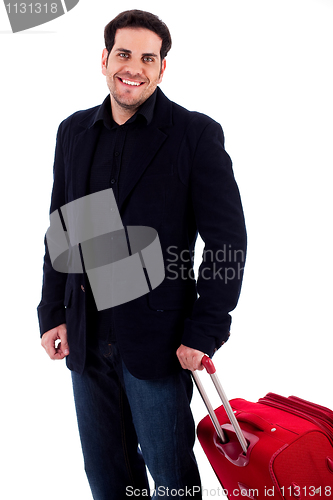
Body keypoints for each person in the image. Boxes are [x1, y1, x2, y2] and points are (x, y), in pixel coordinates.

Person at [38, 9, 247, 500]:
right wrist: (52, 313)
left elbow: (226, 242)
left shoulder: (193, 134)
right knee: (107, 478)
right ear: (105, 59)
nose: (134, 66)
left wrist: (206, 331)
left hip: (160, 343)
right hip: (87, 341)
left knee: (171, 482)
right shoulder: (75, 133)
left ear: (162, 68)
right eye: (124, 54)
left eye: (147, 58)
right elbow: (62, 230)